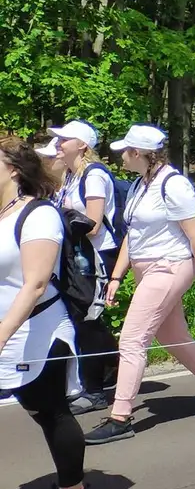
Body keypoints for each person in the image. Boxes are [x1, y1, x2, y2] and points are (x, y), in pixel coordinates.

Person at [85, 125, 195, 445]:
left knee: (131, 339)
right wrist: (117, 276)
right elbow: (132, 234)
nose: (120, 156)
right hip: (145, 268)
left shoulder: (174, 184)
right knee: (173, 337)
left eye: (124, 151)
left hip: (170, 267)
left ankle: (120, 417)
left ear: (138, 153)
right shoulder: (141, 184)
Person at [0, 136, 95, 489]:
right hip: (10, 329)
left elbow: (35, 283)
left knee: (49, 411)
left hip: (34, 331)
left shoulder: (38, 215)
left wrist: (2, 333)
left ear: (13, 170)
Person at [40, 121, 119, 414]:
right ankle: (110, 367)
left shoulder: (94, 175)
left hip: (96, 257)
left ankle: (96, 391)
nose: (58, 143)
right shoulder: (73, 176)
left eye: (64, 139)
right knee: (81, 319)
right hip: (78, 257)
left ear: (82, 145)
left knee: (88, 319)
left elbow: (94, 224)